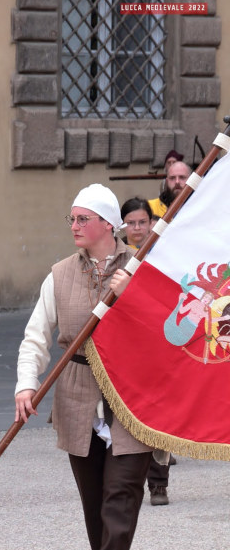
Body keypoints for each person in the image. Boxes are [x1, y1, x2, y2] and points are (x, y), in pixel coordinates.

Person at [14, 184, 154, 550]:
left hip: (132, 396)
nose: (74, 226)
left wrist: (133, 292)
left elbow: (166, 327)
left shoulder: (146, 267)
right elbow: (36, 335)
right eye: (71, 219)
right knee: (93, 497)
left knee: (122, 492)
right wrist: (25, 384)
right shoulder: (58, 274)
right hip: (77, 395)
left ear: (107, 225)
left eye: (82, 219)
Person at [117, 198, 174, 505]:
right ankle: (129, 479)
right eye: (131, 223)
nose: (137, 229)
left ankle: (159, 482)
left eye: (142, 222)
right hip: (125, 346)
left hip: (157, 342)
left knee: (161, 412)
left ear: (152, 223)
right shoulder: (115, 258)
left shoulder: (164, 256)